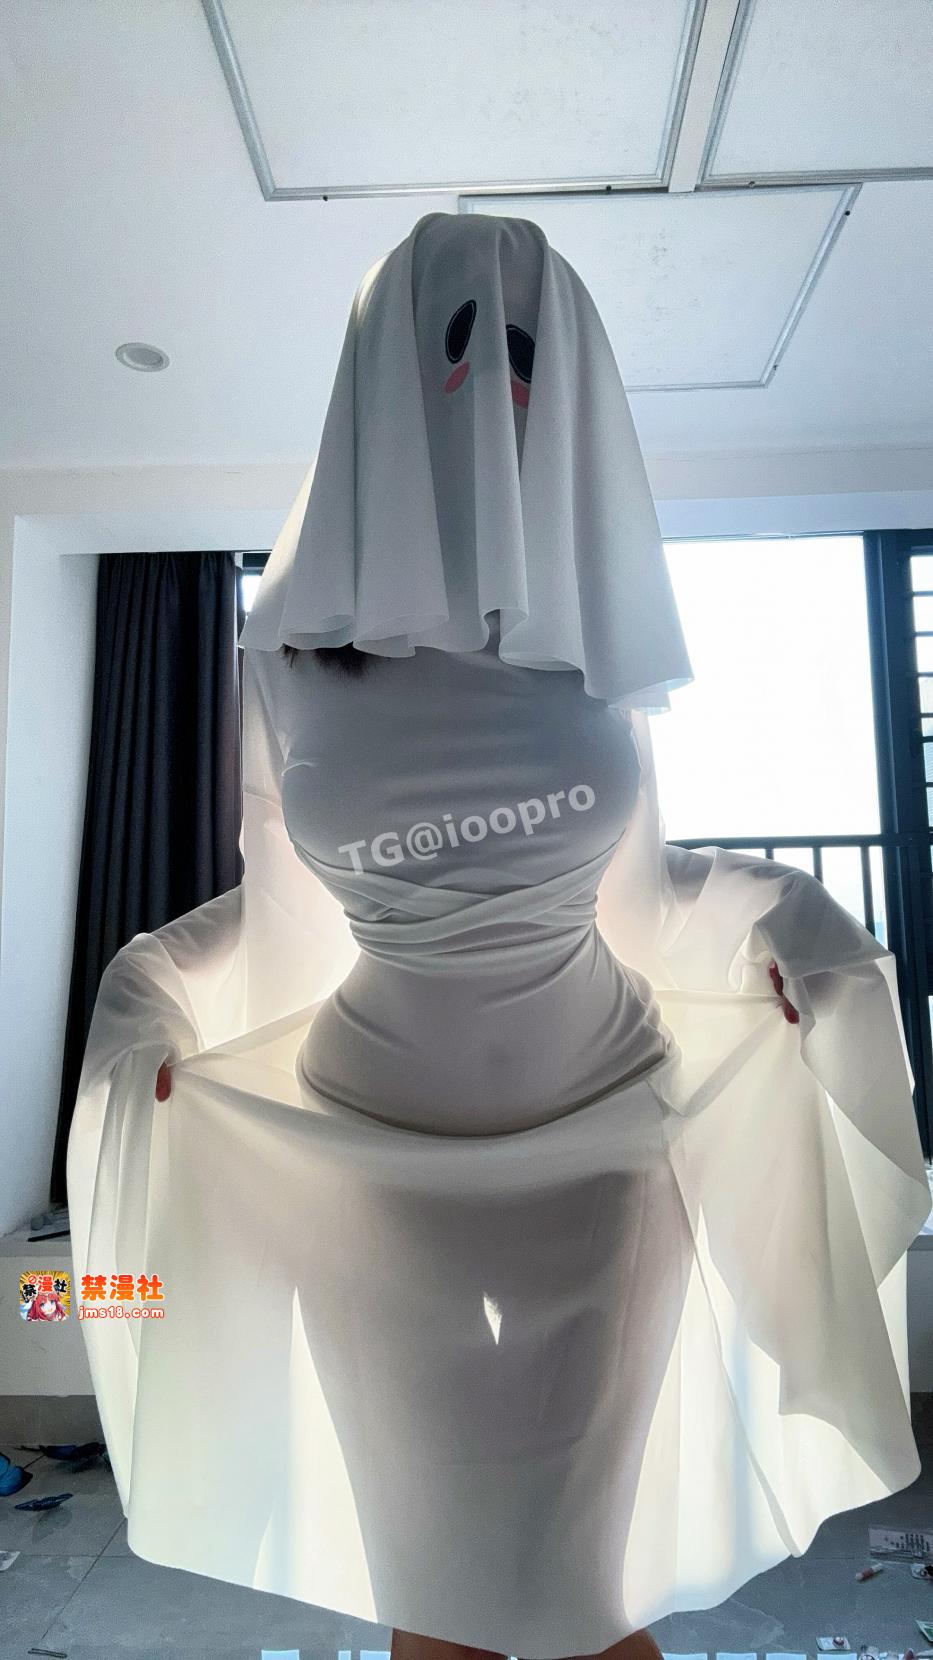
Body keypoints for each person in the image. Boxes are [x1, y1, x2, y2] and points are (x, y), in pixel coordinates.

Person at [68, 212, 929, 1660]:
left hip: (606, 1130)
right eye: (457, 342)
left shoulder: (593, 638)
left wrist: (794, 924)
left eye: (529, 349)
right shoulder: (287, 653)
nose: (493, 388)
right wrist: (145, 998)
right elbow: (267, 903)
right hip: (363, 1148)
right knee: (429, 1580)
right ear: (380, 372)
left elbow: (649, 882)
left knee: (585, 1589)